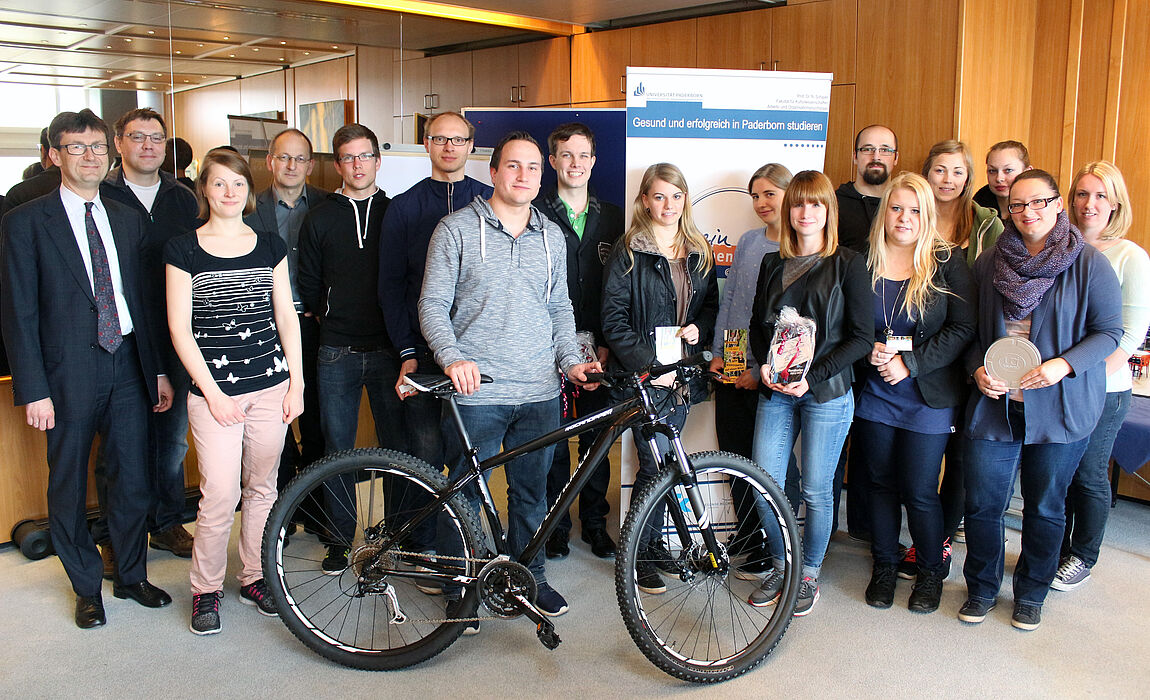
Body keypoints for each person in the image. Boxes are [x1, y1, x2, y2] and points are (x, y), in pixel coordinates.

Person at [1, 109, 173, 629]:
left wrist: (157, 370)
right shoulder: (25, 222)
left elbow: (142, 302)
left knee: (132, 478)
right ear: (55, 155)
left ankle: (130, 575)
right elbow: (18, 313)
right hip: (65, 372)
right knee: (69, 483)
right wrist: (33, 388)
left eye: (97, 146)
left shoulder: (124, 216)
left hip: (126, 363)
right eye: (77, 147)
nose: (90, 156)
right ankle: (84, 586)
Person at [419, 130, 601, 621]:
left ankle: (531, 578)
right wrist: (452, 357)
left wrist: (570, 361)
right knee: (461, 492)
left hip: (540, 390)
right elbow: (433, 304)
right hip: (476, 391)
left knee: (531, 492)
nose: (523, 176)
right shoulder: (455, 230)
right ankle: (459, 581)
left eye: (532, 168)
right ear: (494, 171)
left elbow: (560, 309)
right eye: (513, 166)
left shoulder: (553, 236)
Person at [960, 169, 1122, 631]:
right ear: (1007, 209)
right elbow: (969, 334)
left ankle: (1031, 593)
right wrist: (976, 370)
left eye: (1038, 202)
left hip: (1060, 407)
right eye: (1017, 204)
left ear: (1056, 204)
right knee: (984, 505)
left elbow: (1109, 332)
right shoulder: (990, 262)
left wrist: (1062, 365)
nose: (1028, 212)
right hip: (996, 405)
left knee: (1046, 507)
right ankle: (982, 589)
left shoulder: (1088, 263)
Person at [165, 148, 304, 635]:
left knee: (263, 489)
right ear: (204, 189)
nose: (229, 192)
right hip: (214, 394)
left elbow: (286, 316)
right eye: (219, 183)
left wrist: (297, 383)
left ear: (249, 191)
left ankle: (253, 577)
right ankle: (206, 589)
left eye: (238, 184)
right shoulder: (183, 248)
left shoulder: (269, 245)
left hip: (271, 387)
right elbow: (180, 329)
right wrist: (211, 391)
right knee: (219, 494)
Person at [748, 170, 872, 616]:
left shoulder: (849, 263)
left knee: (818, 490)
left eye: (815, 204)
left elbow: (861, 337)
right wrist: (762, 363)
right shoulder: (769, 262)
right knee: (765, 483)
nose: (805, 212)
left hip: (827, 392)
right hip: (777, 389)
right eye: (798, 203)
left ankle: (809, 573)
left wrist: (812, 376)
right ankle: (782, 565)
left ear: (828, 210)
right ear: (789, 210)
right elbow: (757, 328)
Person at [853, 172, 976, 614]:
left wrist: (910, 362)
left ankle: (930, 573)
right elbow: (847, 325)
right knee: (880, 485)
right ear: (884, 211)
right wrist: (868, 351)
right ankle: (884, 566)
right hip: (876, 393)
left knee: (921, 489)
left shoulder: (947, 261)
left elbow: (964, 327)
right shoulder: (860, 261)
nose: (905, 218)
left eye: (915, 209)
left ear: (927, 215)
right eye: (896, 207)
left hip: (926, 395)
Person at [601, 162, 719, 595]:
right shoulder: (628, 251)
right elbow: (612, 322)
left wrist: (699, 330)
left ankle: (652, 545)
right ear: (644, 200)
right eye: (659, 196)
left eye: (676, 195)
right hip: (646, 378)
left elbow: (710, 308)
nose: (668, 205)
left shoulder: (699, 250)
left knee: (668, 465)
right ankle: (640, 555)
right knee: (654, 465)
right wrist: (651, 367)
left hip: (682, 377)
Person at [94, 108, 199, 573]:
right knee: (118, 442)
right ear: (119, 143)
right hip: (119, 334)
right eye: (137, 137)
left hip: (175, 330)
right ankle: (116, 535)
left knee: (171, 438)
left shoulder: (184, 197)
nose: (149, 146)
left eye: (157, 138)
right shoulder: (100, 193)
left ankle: (168, 519)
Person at [895, 140, 1005, 578]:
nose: (947, 180)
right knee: (913, 465)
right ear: (926, 173)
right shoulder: (909, 213)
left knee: (958, 455)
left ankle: (940, 537)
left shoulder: (986, 224)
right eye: (939, 170)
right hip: (920, 356)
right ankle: (924, 537)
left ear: (967, 178)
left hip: (969, 348)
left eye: (957, 172)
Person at [297, 123, 397, 575]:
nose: (358, 165)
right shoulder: (319, 215)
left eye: (366, 156)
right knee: (337, 449)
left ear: (378, 160)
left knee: (396, 448)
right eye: (349, 158)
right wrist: (330, 313)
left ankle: (395, 533)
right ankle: (339, 539)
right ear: (338, 165)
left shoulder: (396, 213)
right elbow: (310, 284)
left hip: (388, 351)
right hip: (335, 348)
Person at [1055, 161, 1150, 592]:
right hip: (1060, 383)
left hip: (1103, 388)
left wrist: (1085, 378)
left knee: (1089, 473)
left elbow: (1129, 335)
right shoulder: (1060, 247)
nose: (1089, 204)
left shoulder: (1129, 255)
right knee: (1058, 472)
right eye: (1081, 194)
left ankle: (1082, 556)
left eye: (1099, 196)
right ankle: (1054, 550)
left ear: (1115, 204)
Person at [378, 111, 491, 473]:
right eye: (440, 139)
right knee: (424, 457)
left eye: (458, 140)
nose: (449, 147)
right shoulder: (403, 207)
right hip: (424, 352)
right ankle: (422, 533)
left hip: (477, 353)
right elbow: (391, 286)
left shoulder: (489, 203)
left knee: (469, 459)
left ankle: (463, 532)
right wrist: (406, 350)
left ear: (471, 146)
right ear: (426, 144)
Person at [707, 163, 801, 580]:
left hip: (771, 376)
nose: (762, 203)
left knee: (771, 465)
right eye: (756, 196)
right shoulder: (747, 242)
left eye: (770, 194)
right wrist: (720, 356)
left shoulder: (800, 249)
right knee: (734, 457)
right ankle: (748, 541)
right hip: (732, 367)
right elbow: (733, 307)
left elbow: (792, 327)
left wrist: (758, 369)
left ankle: (780, 546)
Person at [535, 122, 624, 560]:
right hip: (547, 347)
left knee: (595, 442)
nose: (575, 163)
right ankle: (555, 524)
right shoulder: (533, 213)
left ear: (594, 161)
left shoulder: (613, 216)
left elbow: (620, 287)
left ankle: (594, 523)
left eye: (583, 155)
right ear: (552, 161)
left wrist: (608, 342)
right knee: (552, 441)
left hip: (600, 349)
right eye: (566, 155)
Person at [245, 129, 328, 502]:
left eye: (299, 159)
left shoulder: (330, 206)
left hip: (314, 327)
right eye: (283, 157)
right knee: (271, 424)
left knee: (315, 420)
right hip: (264, 328)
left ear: (310, 165)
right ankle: (282, 506)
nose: (291, 165)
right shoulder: (248, 210)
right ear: (270, 162)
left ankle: (314, 507)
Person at [835, 124, 899, 254]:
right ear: (855, 157)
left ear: (896, 158)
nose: (876, 157)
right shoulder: (834, 204)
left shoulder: (907, 204)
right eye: (867, 149)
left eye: (885, 150)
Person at [972, 140, 1032, 219]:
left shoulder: (1040, 207)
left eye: (1008, 170)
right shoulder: (977, 206)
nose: (999, 178)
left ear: (1027, 172)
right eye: (992, 171)